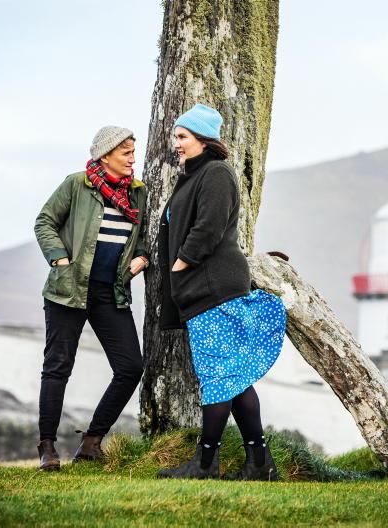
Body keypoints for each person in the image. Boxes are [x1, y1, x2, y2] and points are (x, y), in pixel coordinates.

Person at [155, 104, 287, 481]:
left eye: (182, 136)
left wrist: (181, 263)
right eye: (176, 136)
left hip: (213, 288)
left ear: (203, 139)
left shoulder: (216, 173)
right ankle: (259, 464)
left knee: (217, 377)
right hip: (202, 289)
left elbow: (209, 227)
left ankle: (205, 464)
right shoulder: (192, 175)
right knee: (234, 378)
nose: (176, 143)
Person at [33, 126, 149, 471]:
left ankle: (91, 442)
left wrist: (141, 257)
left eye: (133, 151)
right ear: (105, 155)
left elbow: (142, 235)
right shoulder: (76, 184)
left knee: (130, 367)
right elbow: (44, 222)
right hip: (68, 290)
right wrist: (60, 260)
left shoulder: (138, 193)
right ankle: (47, 448)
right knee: (58, 367)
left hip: (110, 293)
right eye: (126, 152)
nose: (133, 158)